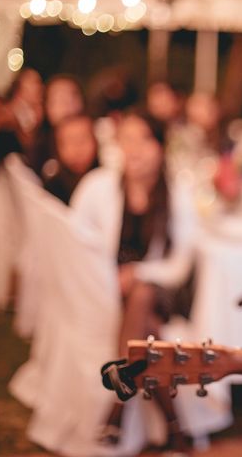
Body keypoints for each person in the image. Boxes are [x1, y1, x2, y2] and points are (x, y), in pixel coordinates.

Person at [71, 111, 195, 451]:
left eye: (144, 139)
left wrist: (137, 272)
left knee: (142, 296)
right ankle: (175, 427)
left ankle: (117, 404)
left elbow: (179, 266)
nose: (135, 149)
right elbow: (74, 244)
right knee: (148, 332)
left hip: (160, 289)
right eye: (127, 139)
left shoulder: (177, 192)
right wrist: (107, 278)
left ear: (160, 146)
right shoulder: (99, 186)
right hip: (108, 293)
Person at [43, 114, 99, 204]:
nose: (78, 148)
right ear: (58, 147)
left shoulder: (106, 180)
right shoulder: (53, 188)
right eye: (70, 141)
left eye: (82, 140)